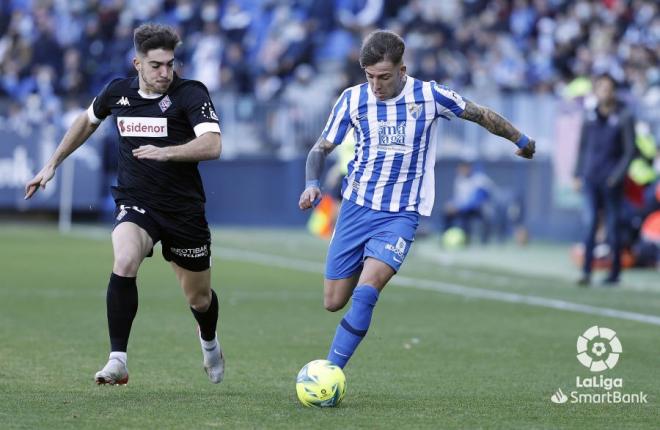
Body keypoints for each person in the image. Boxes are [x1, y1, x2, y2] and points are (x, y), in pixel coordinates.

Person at [298, 30, 535, 369]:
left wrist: (522, 140)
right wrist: (311, 183)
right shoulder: (352, 99)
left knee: (366, 293)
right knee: (333, 301)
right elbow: (321, 147)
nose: (376, 85)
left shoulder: (430, 96)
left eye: (384, 76)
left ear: (402, 70)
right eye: (370, 77)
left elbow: (480, 114)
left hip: (400, 215)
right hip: (355, 208)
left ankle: (331, 371)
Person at [24, 23, 224, 385]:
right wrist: (51, 163)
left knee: (200, 299)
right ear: (137, 64)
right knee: (125, 258)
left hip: (183, 210)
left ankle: (209, 342)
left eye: (170, 64)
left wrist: (168, 153)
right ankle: (118, 359)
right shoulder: (118, 93)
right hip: (137, 201)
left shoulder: (191, 94)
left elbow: (212, 145)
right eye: (156, 65)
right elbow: (86, 122)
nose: (166, 72)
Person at [573, 73, 635, 287]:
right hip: (591, 178)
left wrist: (616, 177)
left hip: (612, 182)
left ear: (614, 92)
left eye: (608, 89)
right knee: (589, 224)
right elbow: (582, 148)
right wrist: (577, 174)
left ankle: (614, 272)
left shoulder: (624, 116)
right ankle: (586, 270)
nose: (604, 93)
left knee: (613, 226)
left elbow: (629, 152)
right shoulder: (589, 116)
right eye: (600, 88)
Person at [442, 161, 494, 244]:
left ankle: (480, 240)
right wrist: (451, 204)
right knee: (447, 212)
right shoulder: (459, 180)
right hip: (464, 207)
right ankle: (445, 237)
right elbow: (458, 198)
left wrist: (458, 207)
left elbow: (476, 201)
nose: (460, 171)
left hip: (479, 208)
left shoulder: (480, 179)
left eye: (462, 168)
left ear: (468, 168)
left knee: (465, 214)